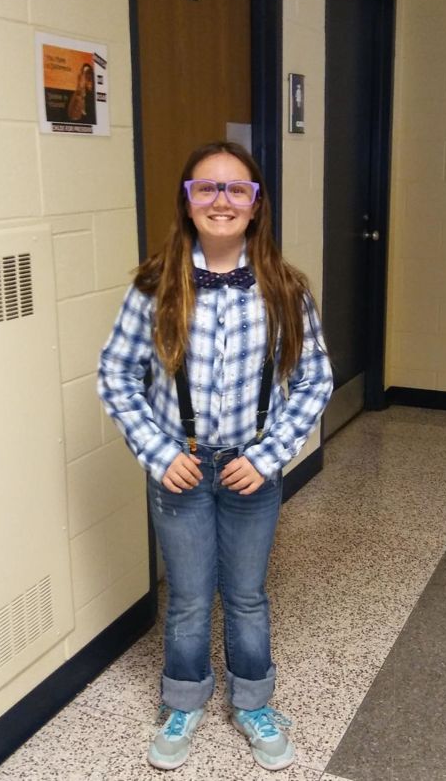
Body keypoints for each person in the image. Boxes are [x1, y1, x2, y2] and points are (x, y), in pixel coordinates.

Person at [97, 141, 333, 772]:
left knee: (247, 595)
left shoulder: (285, 288)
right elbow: (116, 374)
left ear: (256, 205)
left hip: (252, 468)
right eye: (206, 187)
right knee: (190, 597)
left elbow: (314, 380)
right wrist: (157, 451)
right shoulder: (155, 287)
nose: (221, 200)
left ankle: (253, 702)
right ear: (187, 201)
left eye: (236, 189)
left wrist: (269, 455)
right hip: (180, 468)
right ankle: (184, 700)